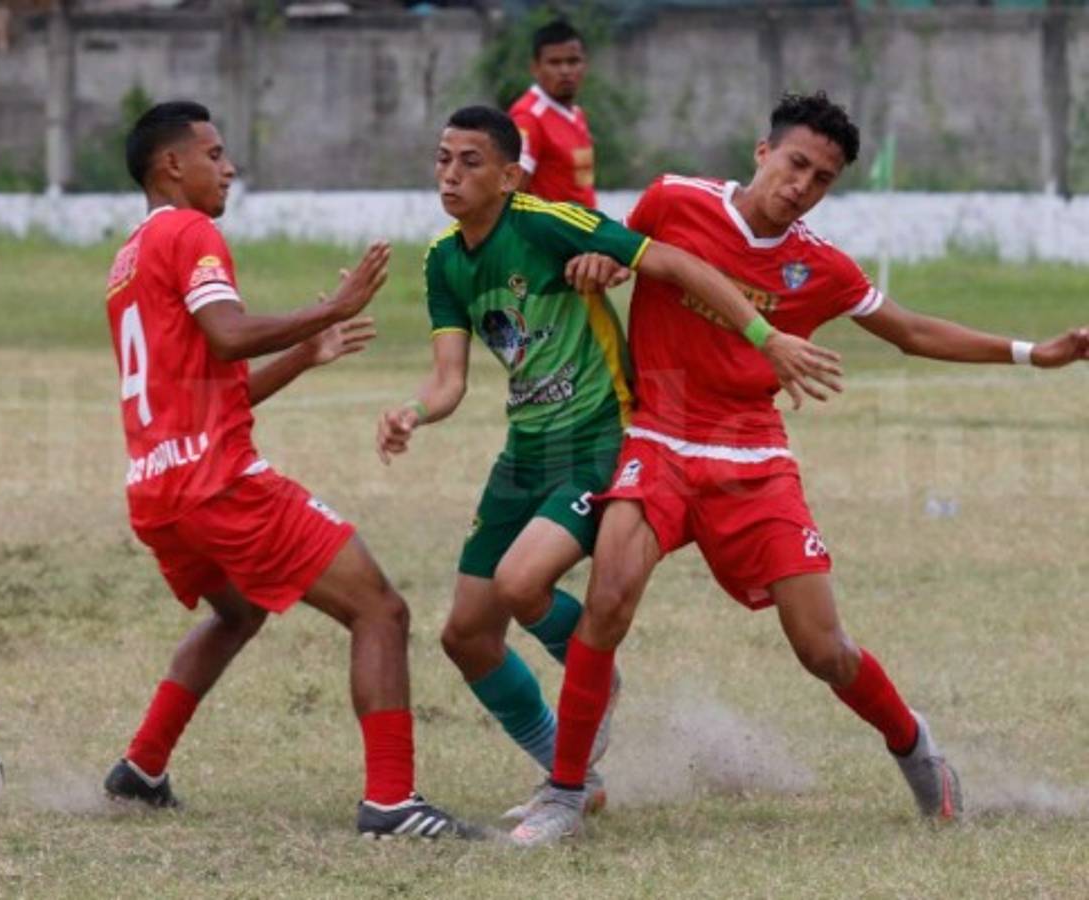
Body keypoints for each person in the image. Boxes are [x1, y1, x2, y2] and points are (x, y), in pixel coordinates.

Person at [508, 90, 1089, 846]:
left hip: (753, 457)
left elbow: (908, 330)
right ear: (762, 152)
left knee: (822, 648)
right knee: (609, 596)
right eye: (794, 164)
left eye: (820, 178)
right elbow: (620, 250)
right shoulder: (673, 200)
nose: (801, 186)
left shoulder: (816, 265)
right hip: (659, 437)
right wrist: (599, 262)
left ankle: (916, 747)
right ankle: (565, 789)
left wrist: (1030, 353)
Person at [375, 105, 842, 821]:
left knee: (520, 583)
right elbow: (449, 379)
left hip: (599, 438)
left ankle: (594, 674)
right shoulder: (443, 259)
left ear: (507, 176)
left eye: (470, 161)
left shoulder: (542, 220)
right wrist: (413, 412)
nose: (450, 174)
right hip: (524, 449)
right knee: (464, 634)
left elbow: (675, 261)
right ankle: (572, 770)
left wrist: (761, 334)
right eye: (442, 158)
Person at [101, 100, 475, 840]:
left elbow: (214, 385)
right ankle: (392, 803)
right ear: (171, 165)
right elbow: (229, 333)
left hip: (157, 489)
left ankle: (140, 769)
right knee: (380, 610)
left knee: (237, 612)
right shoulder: (190, 230)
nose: (228, 166)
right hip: (218, 484)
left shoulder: (127, 260)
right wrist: (329, 307)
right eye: (213, 153)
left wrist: (304, 353)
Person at [508, 19, 596, 206]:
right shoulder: (528, 118)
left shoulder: (577, 114)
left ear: (585, 64)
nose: (565, 70)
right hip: (552, 233)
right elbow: (512, 193)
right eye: (554, 63)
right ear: (535, 68)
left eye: (573, 61)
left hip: (583, 231)